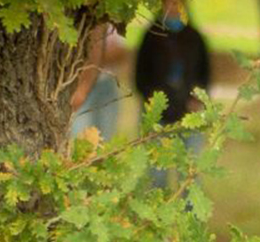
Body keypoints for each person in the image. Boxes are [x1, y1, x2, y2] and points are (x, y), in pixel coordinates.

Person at [134, 0, 211, 187]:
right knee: (157, 175)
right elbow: (140, 76)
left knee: (189, 176)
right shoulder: (152, 37)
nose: (172, 9)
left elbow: (204, 74)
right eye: (168, 5)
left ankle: (188, 215)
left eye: (176, 4)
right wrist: (153, 103)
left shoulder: (194, 38)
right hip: (159, 115)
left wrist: (196, 99)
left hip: (188, 113)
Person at [70, 25, 129, 140]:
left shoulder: (111, 24)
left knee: (105, 137)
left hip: (105, 82)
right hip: (79, 85)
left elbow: (122, 53)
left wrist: (96, 55)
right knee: (80, 138)